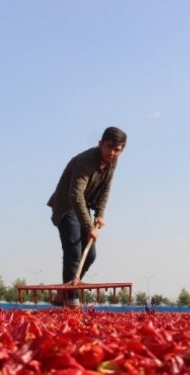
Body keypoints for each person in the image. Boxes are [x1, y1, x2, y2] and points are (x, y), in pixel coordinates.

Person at [47, 126, 127, 307]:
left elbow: (106, 189)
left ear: (122, 151)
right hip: (67, 205)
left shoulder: (112, 162)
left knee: (89, 255)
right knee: (74, 250)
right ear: (100, 144)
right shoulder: (86, 161)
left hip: (83, 208)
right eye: (108, 147)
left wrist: (100, 214)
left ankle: (65, 290)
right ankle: (71, 300)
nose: (112, 153)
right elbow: (75, 195)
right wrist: (90, 227)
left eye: (117, 150)